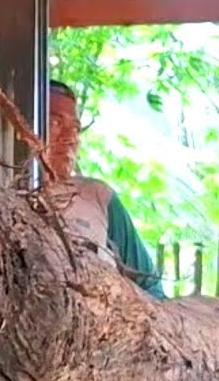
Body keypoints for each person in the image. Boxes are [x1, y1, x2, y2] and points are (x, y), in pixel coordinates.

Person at [44, 80, 166, 299]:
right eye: (55, 123)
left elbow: (152, 290)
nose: (70, 138)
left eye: (75, 128)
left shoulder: (96, 197)